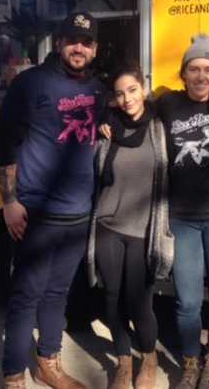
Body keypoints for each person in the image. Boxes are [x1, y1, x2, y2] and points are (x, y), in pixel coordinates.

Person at [0, 12, 105, 389]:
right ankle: (13, 377)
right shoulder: (31, 83)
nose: (78, 48)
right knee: (26, 297)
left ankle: (48, 364)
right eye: (72, 40)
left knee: (58, 293)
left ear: (95, 48)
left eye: (86, 42)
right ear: (59, 43)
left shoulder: (99, 90)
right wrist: (9, 201)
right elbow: (3, 142)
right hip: (37, 215)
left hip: (78, 214)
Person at [158, 35, 209, 389]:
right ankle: (191, 361)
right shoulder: (167, 104)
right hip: (183, 218)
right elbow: (126, 108)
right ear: (184, 73)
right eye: (194, 69)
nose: (201, 76)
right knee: (188, 300)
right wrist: (107, 121)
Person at [86, 63, 173, 389]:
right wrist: (102, 121)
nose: (127, 99)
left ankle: (148, 356)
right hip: (108, 224)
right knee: (111, 297)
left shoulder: (159, 128)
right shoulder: (107, 130)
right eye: (120, 94)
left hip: (143, 231)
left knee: (140, 302)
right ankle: (124, 360)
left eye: (132, 90)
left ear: (144, 89)